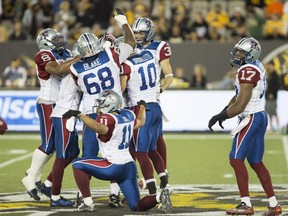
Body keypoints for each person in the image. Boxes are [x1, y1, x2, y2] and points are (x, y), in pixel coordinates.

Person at [68, 8, 136, 208]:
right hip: (115, 112)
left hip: (91, 113)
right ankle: (114, 194)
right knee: (115, 154)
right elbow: (131, 43)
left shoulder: (75, 68)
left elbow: (78, 90)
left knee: (88, 156)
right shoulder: (109, 54)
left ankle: (84, 196)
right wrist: (122, 20)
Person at [208, 37, 282, 216]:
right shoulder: (255, 65)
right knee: (256, 162)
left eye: (242, 52)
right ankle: (274, 205)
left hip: (250, 117)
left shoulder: (247, 70)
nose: (237, 54)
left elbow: (241, 104)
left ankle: (245, 204)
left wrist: (221, 115)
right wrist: (226, 110)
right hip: (258, 115)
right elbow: (238, 96)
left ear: (251, 54)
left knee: (235, 159)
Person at [62, 89, 170, 212]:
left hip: (113, 166)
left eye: (101, 103)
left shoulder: (107, 118)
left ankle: (87, 202)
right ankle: (159, 197)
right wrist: (142, 108)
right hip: (129, 166)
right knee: (136, 206)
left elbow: (100, 128)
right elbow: (140, 122)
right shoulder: (127, 115)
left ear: (109, 105)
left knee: (77, 164)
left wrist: (80, 115)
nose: (98, 107)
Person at [21, 28, 80, 203]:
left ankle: (46, 183)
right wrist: (80, 57)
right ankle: (31, 177)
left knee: (70, 150)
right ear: (46, 42)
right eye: (55, 39)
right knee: (49, 145)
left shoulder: (67, 52)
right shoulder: (44, 54)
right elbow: (59, 70)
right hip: (49, 103)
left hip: (65, 104)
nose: (59, 42)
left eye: (59, 38)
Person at [265, 61, 280, 132]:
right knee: (269, 113)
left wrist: (272, 93)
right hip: (268, 97)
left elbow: (277, 86)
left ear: (273, 66)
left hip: (273, 97)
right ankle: (271, 128)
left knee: (274, 112)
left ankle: (278, 128)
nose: (270, 67)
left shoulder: (275, 75)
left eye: (271, 66)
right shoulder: (269, 74)